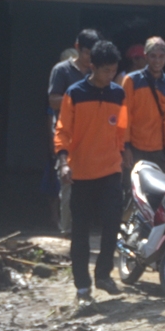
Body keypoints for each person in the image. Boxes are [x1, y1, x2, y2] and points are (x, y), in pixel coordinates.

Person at [53, 40, 128, 304]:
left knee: (112, 224)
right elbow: (62, 130)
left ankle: (103, 274)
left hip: (109, 171)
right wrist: (64, 162)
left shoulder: (118, 94)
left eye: (114, 71)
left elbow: (122, 129)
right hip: (81, 173)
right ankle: (82, 287)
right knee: (80, 233)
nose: (110, 76)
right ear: (93, 67)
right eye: (106, 70)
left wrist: (121, 155)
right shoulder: (75, 93)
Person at [48, 28, 99, 234]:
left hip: (93, 139)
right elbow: (53, 101)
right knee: (68, 189)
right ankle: (66, 233)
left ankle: (83, 231)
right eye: (87, 52)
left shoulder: (98, 73)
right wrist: (80, 100)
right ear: (78, 48)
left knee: (91, 189)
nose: (90, 58)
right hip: (68, 139)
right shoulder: (62, 70)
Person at [121, 37, 165, 169]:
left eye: (161, 56)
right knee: (130, 189)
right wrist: (126, 146)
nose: (157, 61)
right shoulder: (131, 80)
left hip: (158, 151)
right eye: (153, 56)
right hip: (134, 148)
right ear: (145, 56)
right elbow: (124, 116)